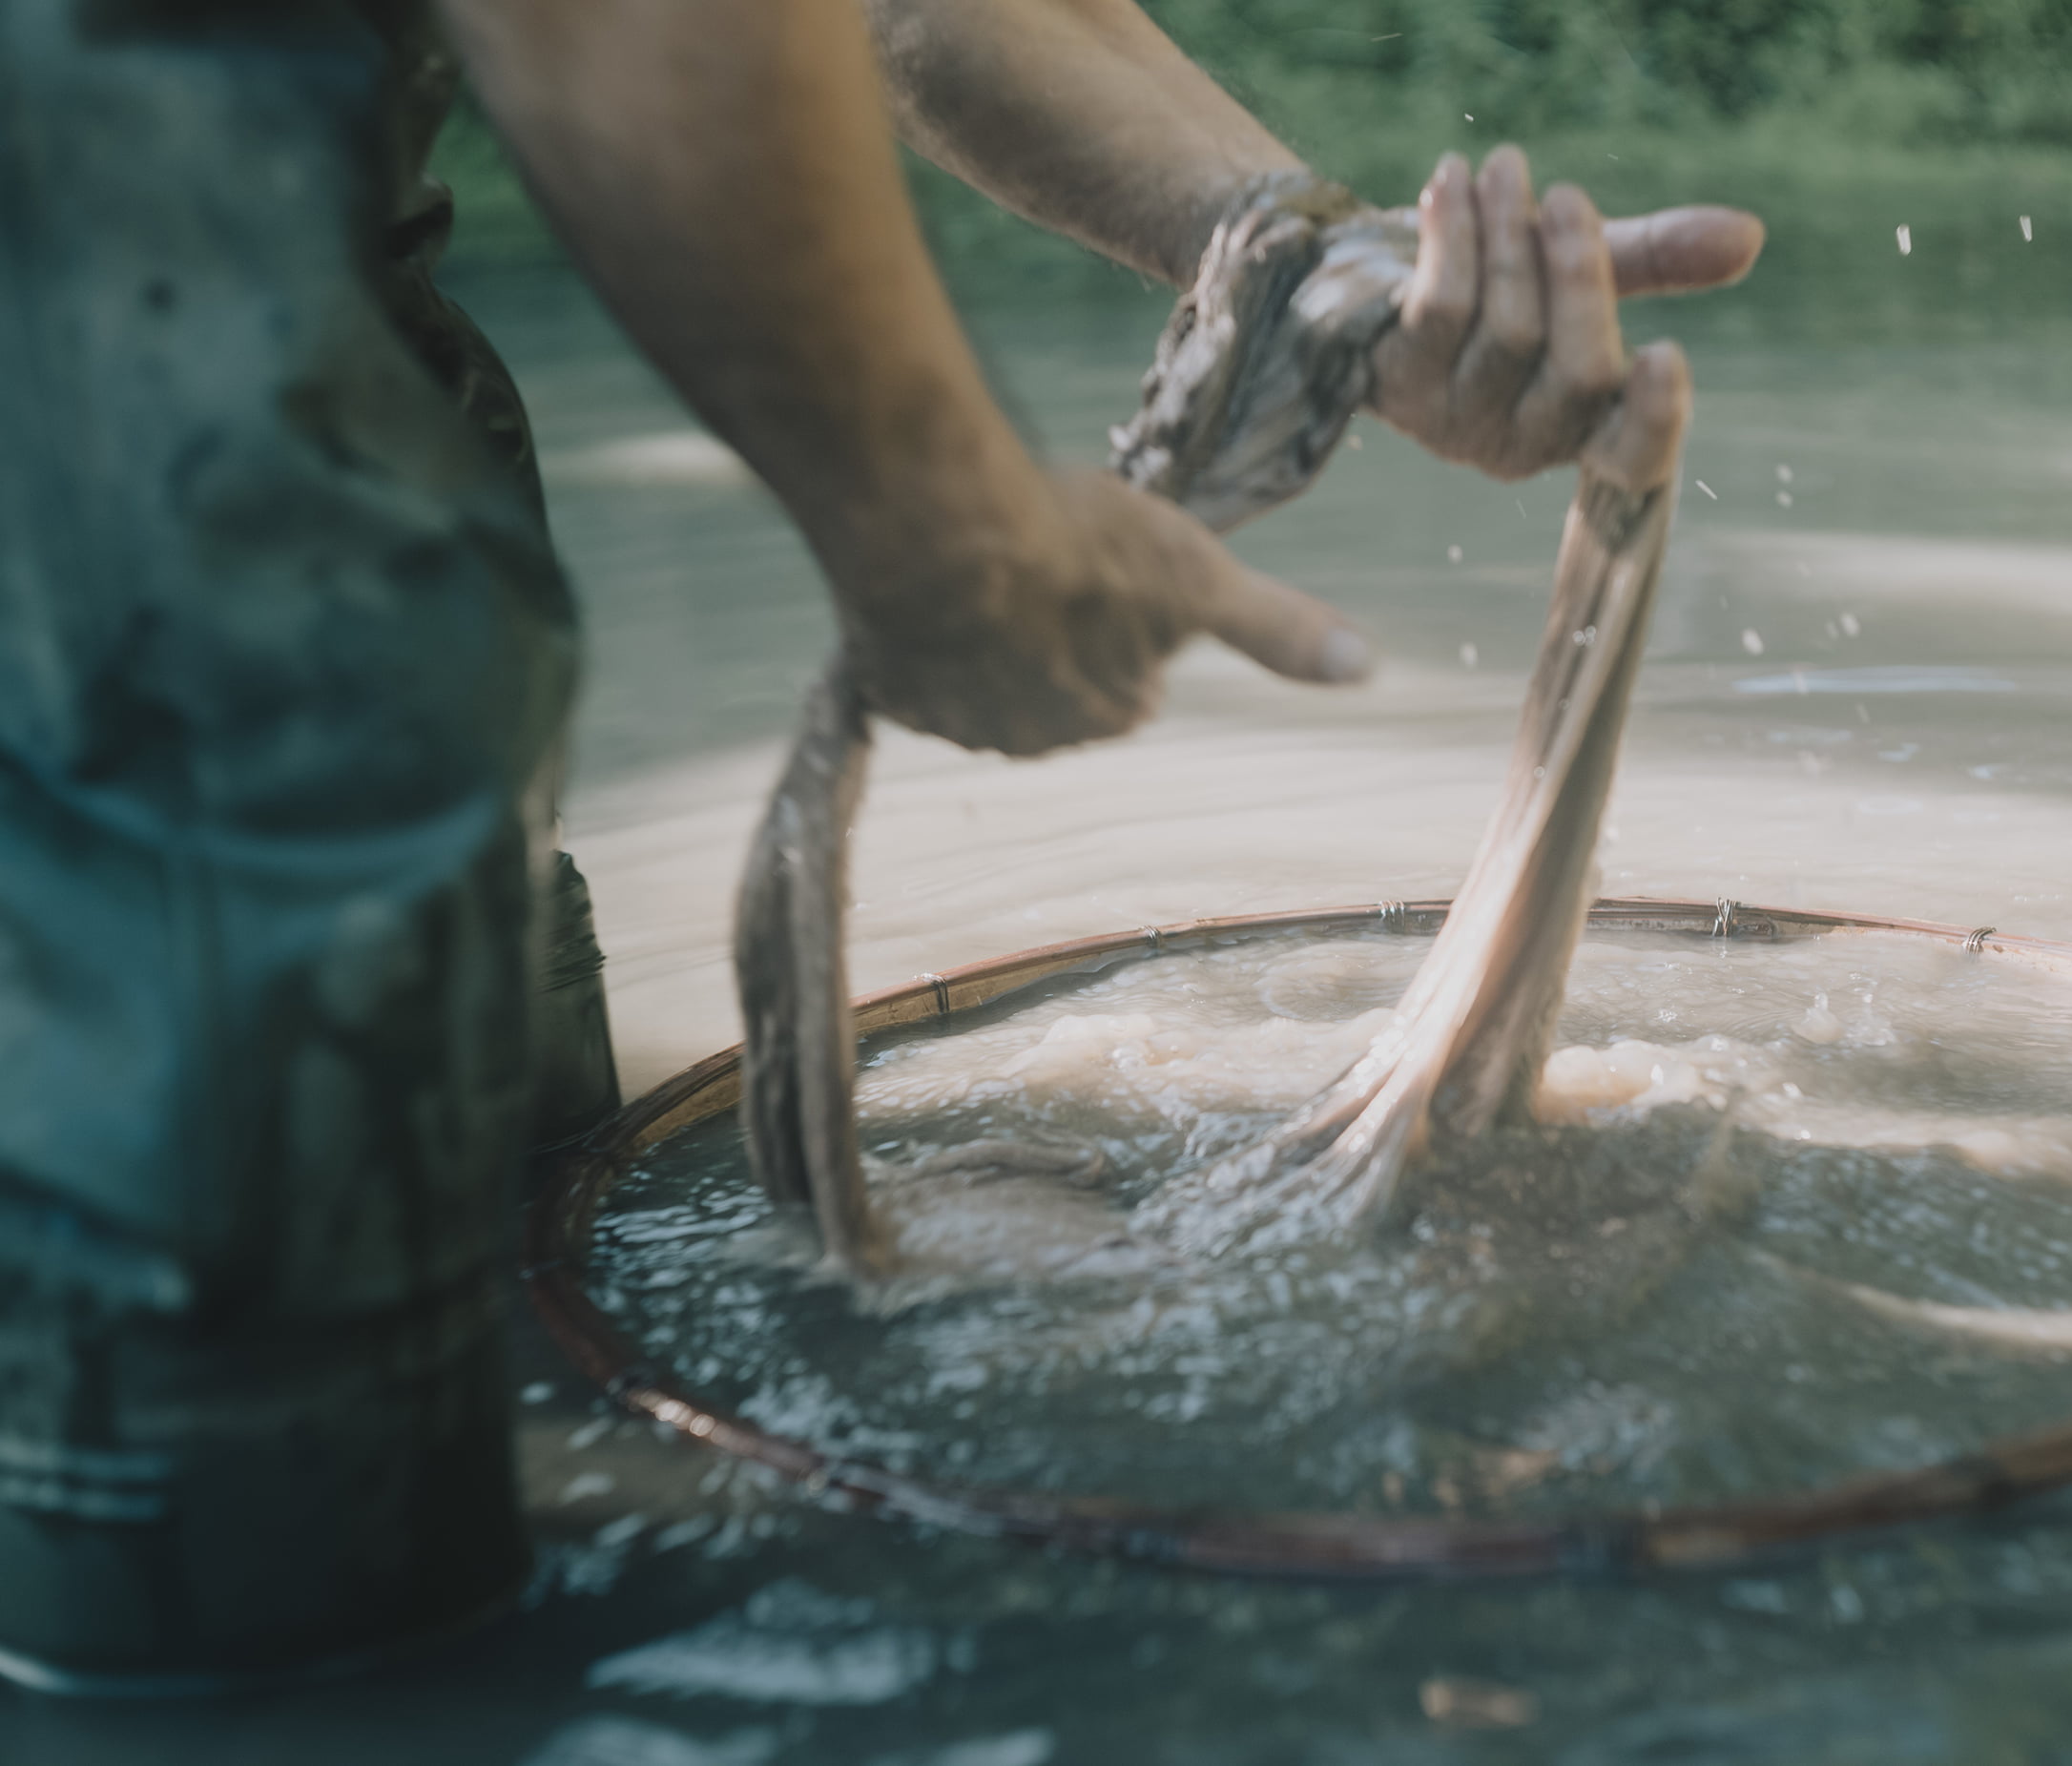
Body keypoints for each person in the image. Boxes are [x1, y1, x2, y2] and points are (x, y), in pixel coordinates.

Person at [0, 0, 1759, 1691]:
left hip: (313, 545)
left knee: (487, 1374)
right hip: (111, 553)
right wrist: (927, 519)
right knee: (266, 1626)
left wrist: (1293, 252)